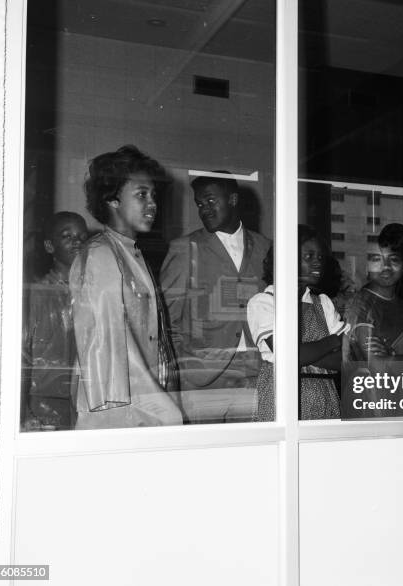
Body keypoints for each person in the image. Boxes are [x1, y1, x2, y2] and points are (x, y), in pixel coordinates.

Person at [70, 145, 183, 430]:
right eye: (142, 194)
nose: (153, 204)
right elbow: (106, 354)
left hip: (141, 405)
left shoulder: (129, 251)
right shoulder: (101, 254)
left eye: (153, 195)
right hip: (121, 413)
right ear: (113, 200)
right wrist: (165, 409)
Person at [160, 171, 271, 423]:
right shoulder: (184, 248)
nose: (204, 209)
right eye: (200, 204)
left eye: (211, 201)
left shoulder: (266, 247)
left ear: (232, 199)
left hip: (256, 373)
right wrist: (185, 366)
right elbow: (167, 317)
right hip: (203, 377)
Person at [247, 227, 346, 421]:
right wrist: (333, 341)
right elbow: (287, 355)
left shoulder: (323, 302)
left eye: (319, 257)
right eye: (308, 256)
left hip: (325, 399)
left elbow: (346, 360)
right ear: (286, 259)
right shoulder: (264, 302)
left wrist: (300, 354)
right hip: (281, 398)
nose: (317, 261)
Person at [344, 224, 403, 417]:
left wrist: (394, 359)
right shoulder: (361, 304)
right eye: (377, 259)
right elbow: (377, 367)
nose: (385, 267)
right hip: (370, 409)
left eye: (393, 259)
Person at [23, 211, 88, 430]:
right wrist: (24, 411)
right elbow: (23, 356)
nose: (77, 242)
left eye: (81, 236)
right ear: (50, 246)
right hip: (45, 404)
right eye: (67, 236)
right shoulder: (38, 293)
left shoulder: (92, 294)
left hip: (84, 400)